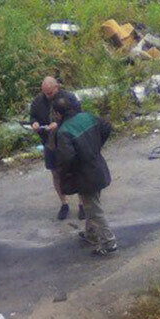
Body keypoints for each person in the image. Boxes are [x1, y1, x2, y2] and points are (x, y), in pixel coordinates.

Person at [51, 94, 117, 256]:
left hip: (84, 175)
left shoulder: (64, 131)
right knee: (91, 204)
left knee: (94, 208)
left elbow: (67, 157)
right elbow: (106, 127)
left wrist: (63, 173)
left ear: (59, 114)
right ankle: (91, 234)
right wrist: (95, 146)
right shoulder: (87, 117)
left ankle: (109, 242)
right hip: (98, 167)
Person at [30, 77, 83, 220]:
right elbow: (32, 116)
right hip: (50, 142)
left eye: (49, 93)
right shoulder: (38, 101)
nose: (47, 96)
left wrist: (59, 125)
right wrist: (34, 123)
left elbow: (77, 117)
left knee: (77, 171)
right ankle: (64, 203)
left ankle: (82, 204)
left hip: (69, 140)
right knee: (55, 173)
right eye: (44, 93)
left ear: (57, 87)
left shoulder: (69, 98)